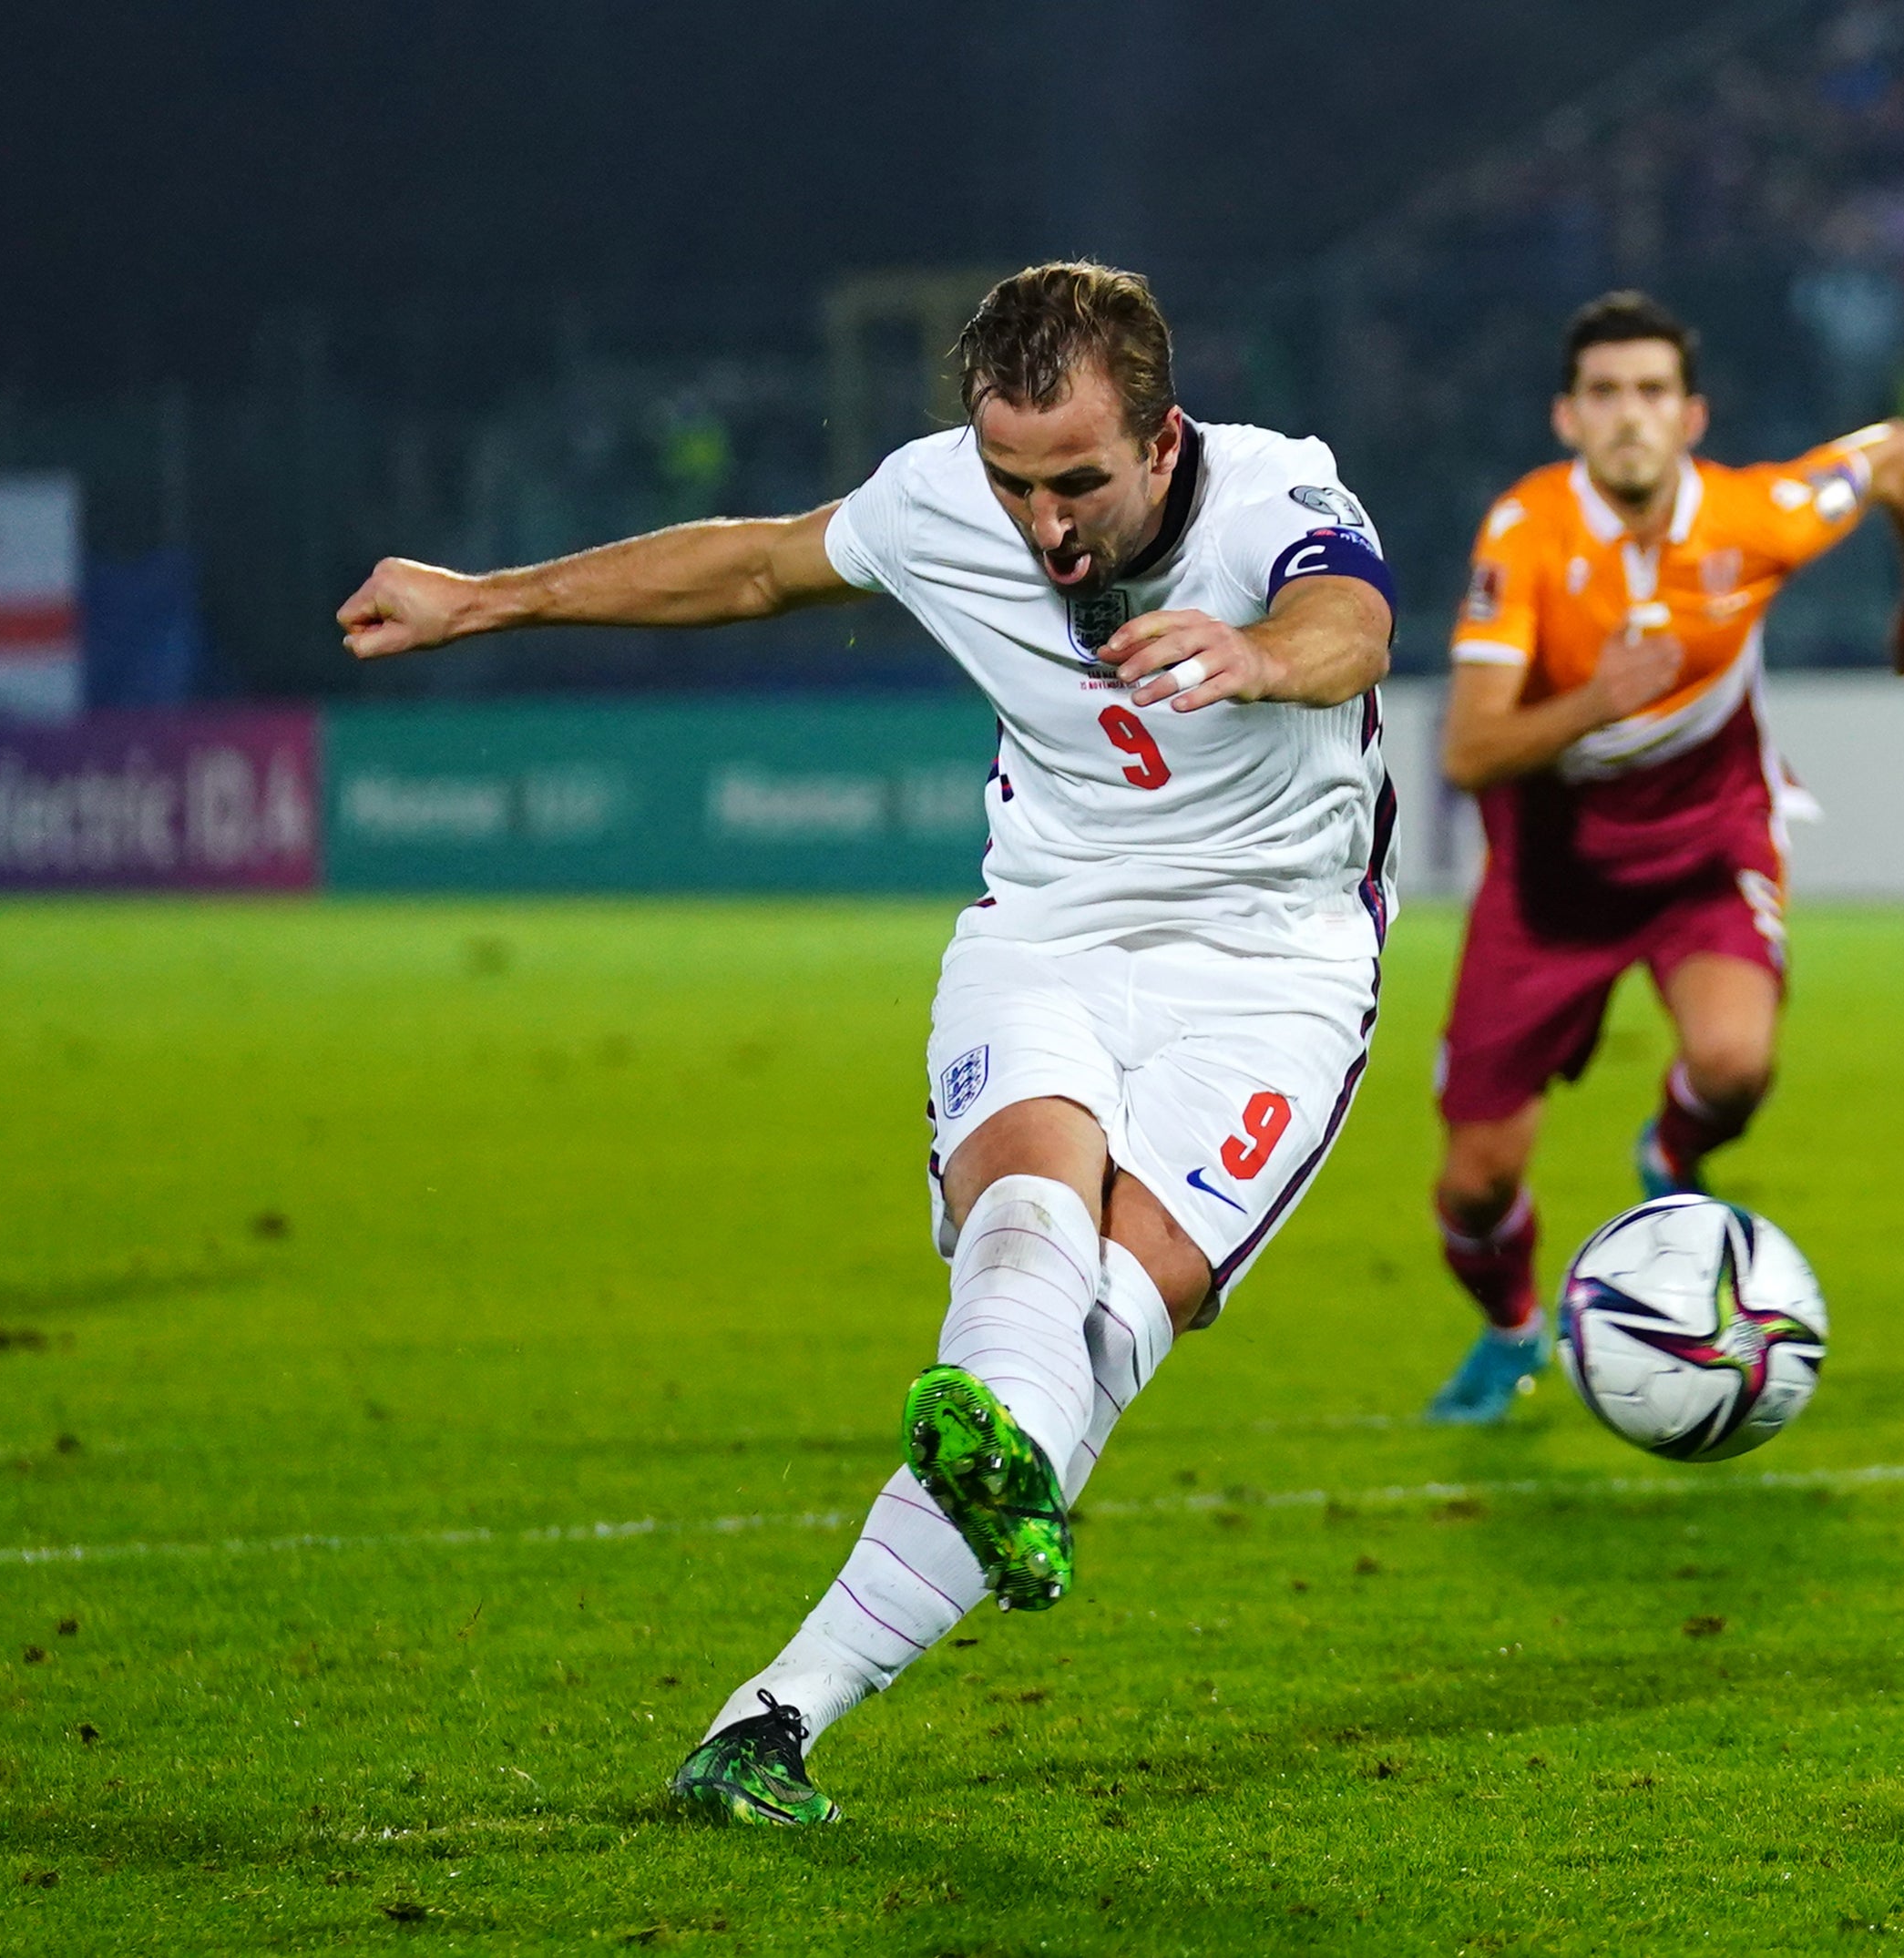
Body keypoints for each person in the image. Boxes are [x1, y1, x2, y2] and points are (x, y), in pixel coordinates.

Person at [335, 262, 1398, 1822]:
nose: (1043, 524)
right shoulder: (935, 498)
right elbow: (758, 567)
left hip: (1270, 971)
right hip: (1044, 926)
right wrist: (486, 597)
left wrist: (1257, 654)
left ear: (1161, 440)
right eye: (1012, 480)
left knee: (1102, 1321)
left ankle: (769, 1717)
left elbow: (1350, 617)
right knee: (1027, 1225)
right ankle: (983, 1458)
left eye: (1078, 483)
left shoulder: (1268, 487)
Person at [1422, 290, 1904, 1424]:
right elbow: (1469, 749)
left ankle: (1668, 1155)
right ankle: (1512, 1329)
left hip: (1703, 849)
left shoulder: (1751, 515)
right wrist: (1592, 699)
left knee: (1733, 1065)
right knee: (1473, 1186)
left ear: (1692, 414)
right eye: (1607, 394)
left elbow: (1901, 456)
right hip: (1550, 884)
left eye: (1652, 393)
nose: (1630, 415)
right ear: (1566, 418)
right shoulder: (1523, 536)